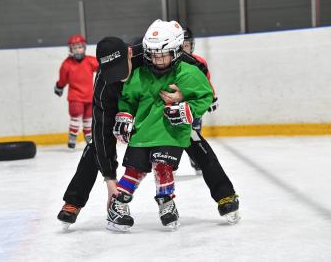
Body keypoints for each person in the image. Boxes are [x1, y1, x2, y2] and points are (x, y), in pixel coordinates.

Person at [57, 34, 239, 230]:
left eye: (120, 69)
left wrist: (183, 94)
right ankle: (73, 202)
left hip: (160, 109)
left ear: (129, 53)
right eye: (112, 73)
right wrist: (111, 182)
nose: (119, 77)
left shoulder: (152, 51)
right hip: (123, 108)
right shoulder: (104, 82)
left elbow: (197, 68)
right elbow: (101, 128)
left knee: (194, 140)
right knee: (95, 144)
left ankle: (225, 195)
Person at [108, 19, 213, 231]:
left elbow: (205, 96)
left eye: (162, 53)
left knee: (163, 166)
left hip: (171, 133)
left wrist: (189, 110)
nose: (157, 58)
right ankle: (117, 206)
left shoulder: (189, 73)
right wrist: (124, 115)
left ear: (176, 51)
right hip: (143, 133)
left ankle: (166, 203)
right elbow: (128, 98)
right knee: (133, 171)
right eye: (153, 53)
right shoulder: (140, 75)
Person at [179, 27, 219, 173]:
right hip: (175, 105)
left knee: (194, 134)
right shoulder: (171, 63)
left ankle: (197, 161)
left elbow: (206, 83)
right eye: (180, 45)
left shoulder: (199, 62)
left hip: (194, 106)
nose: (184, 49)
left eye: (186, 45)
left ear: (192, 45)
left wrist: (211, 97)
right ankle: (170, 165)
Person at [54, 34, 99, 148]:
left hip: (89, 96)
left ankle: (88, 135)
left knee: (88, 117)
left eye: (79, 47)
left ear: (84, 47)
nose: (78, 50)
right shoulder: (66, 64)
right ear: (71, 50)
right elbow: (63, 79)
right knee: (76, 115)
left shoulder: (90, 60)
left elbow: (100, 67)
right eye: (75, 48)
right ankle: (73, 136)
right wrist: (59, 86)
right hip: (75, 97)